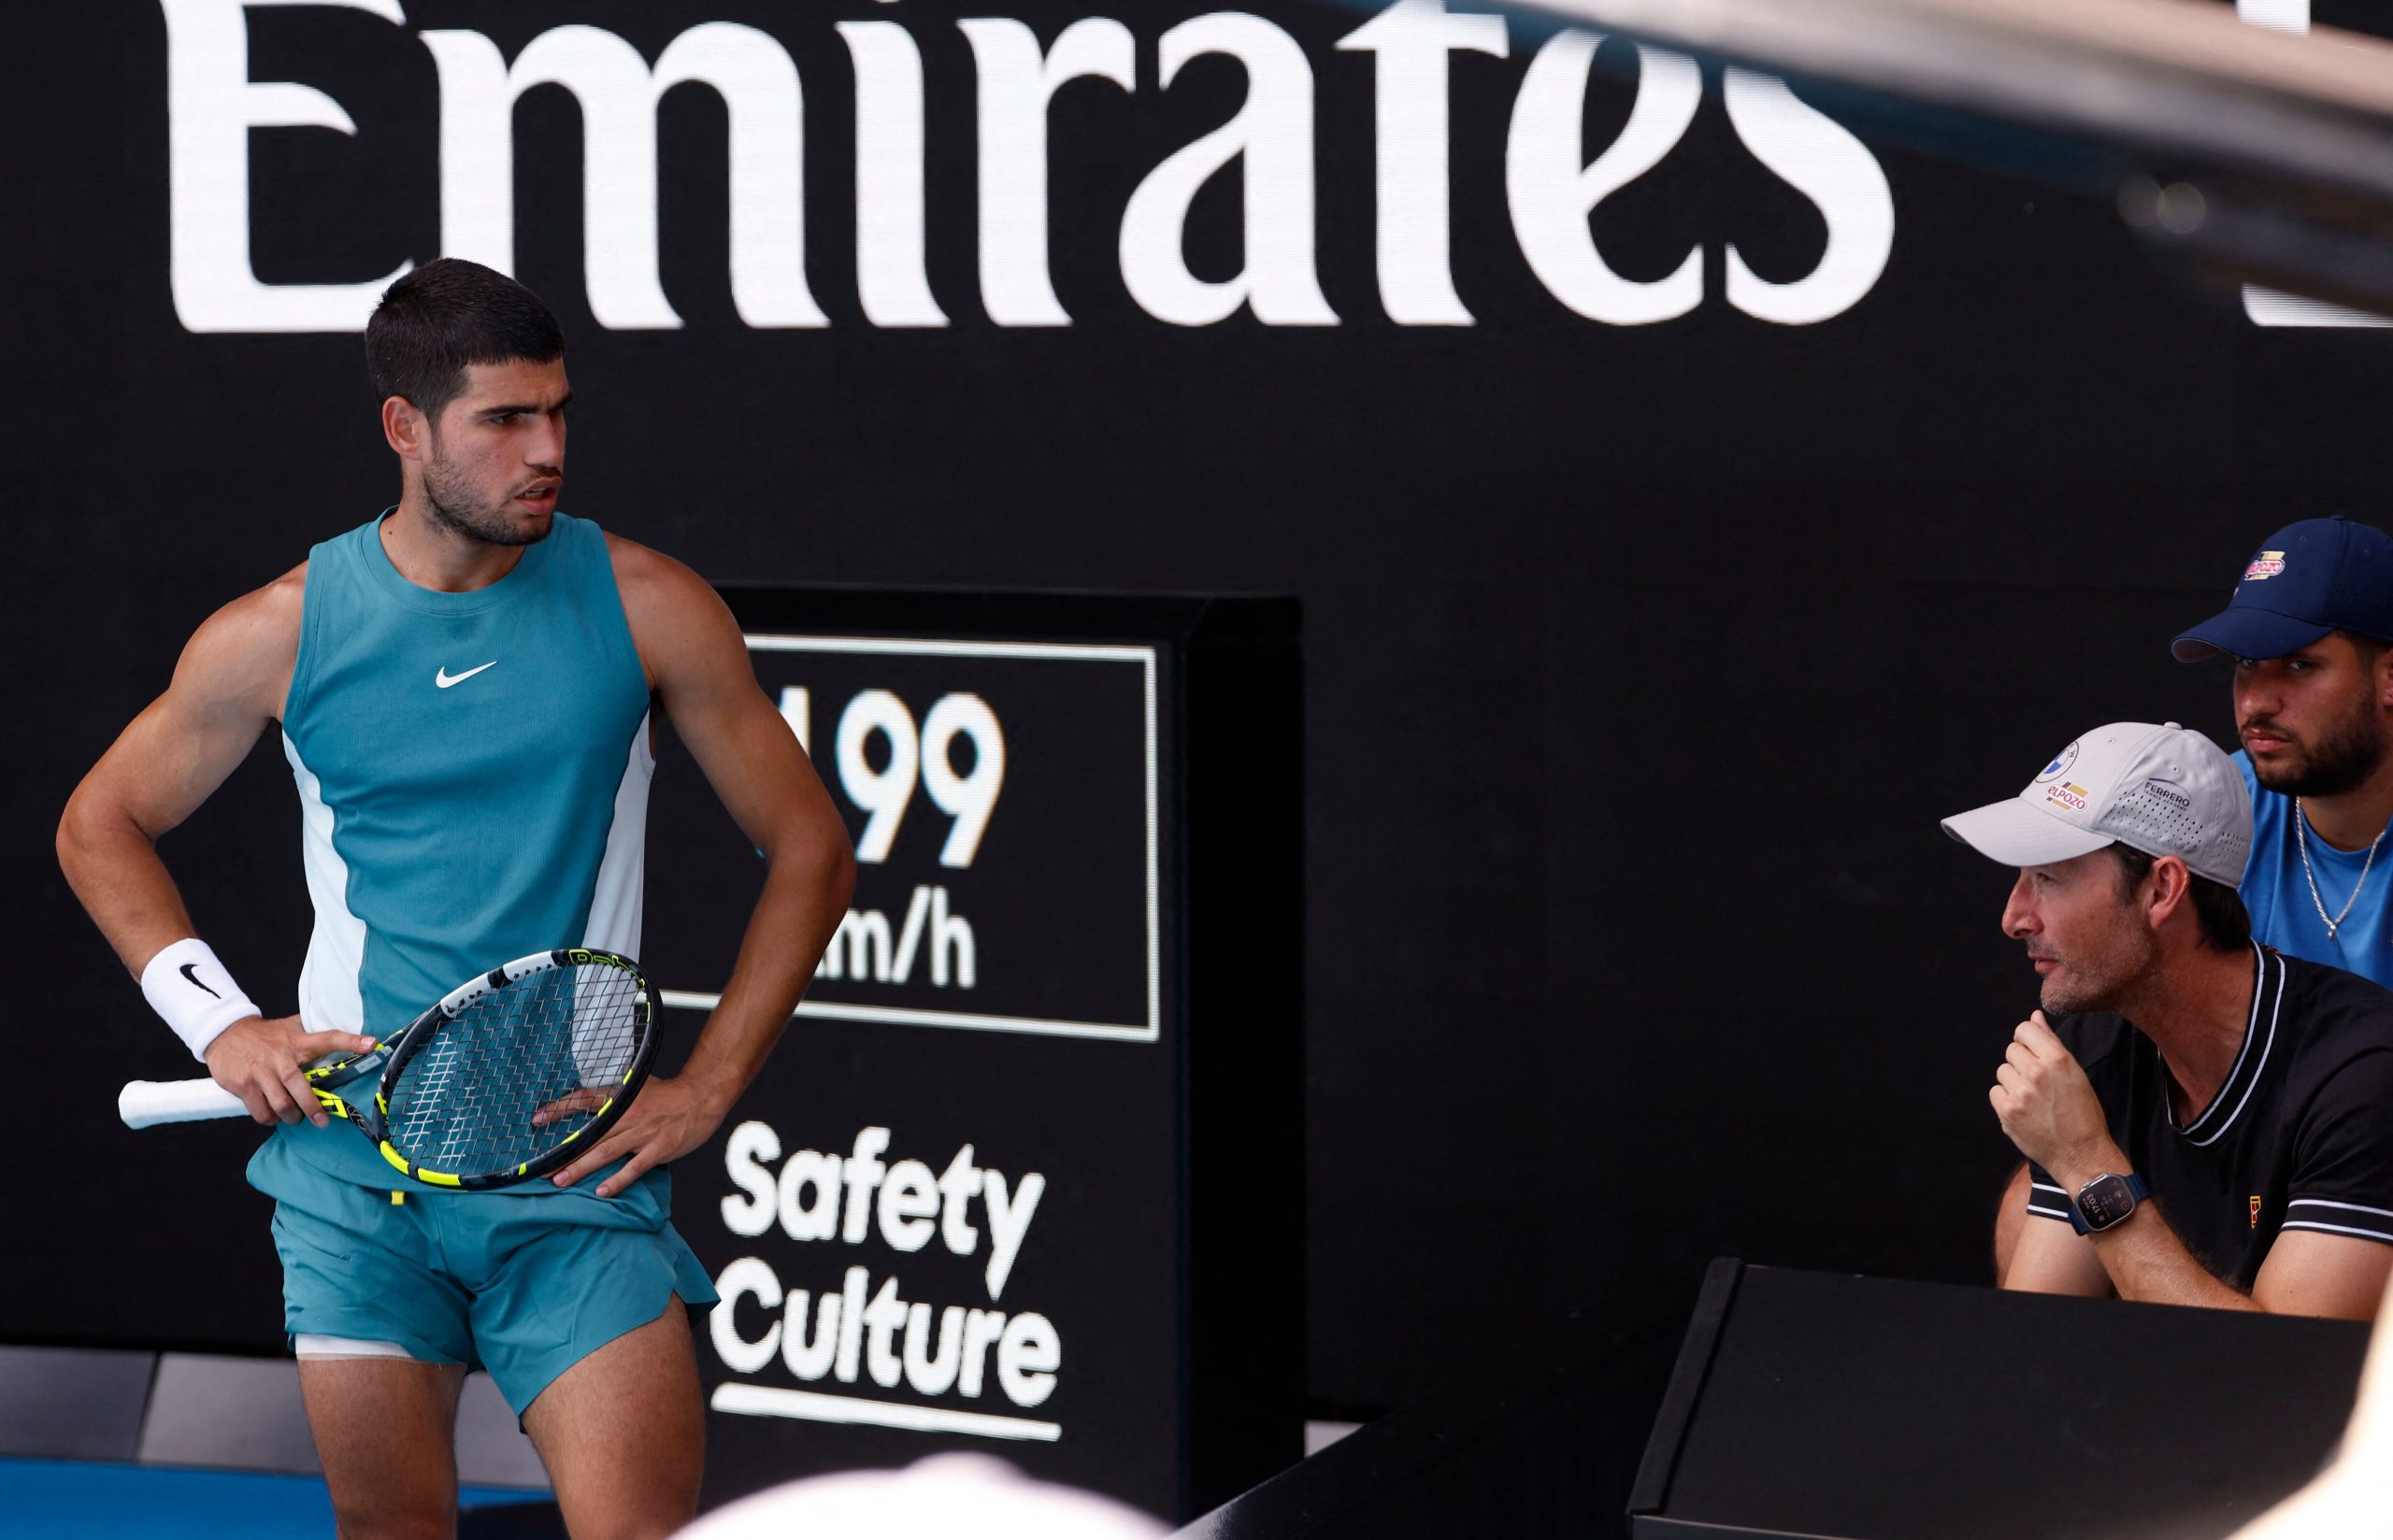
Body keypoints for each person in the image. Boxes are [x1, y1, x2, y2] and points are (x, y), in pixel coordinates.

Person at [55, 258, 855, 1539]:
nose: (547, 451)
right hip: (352, 1177)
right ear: (405, 428)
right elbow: (101, 822)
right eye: (504, 420)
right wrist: (219, 1023)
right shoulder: (278, 629)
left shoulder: (651, 605)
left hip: (570, 1168)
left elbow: (812, 848)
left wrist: (707, 1087)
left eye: (559, 413)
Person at [1944, 720, 2393, 1318]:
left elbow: (2284, 1375)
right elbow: (2036, 1339)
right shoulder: (2091, 1041)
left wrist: (2088, 1164)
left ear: (2162, 889)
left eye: (2047, 877)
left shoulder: (2364, 1075)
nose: (2015, 917)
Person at [2171, 516, 2393, 988]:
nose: (2255, 702)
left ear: (2389, 678)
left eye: (2298, 664)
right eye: (2247, 663)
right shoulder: (2211, 815)